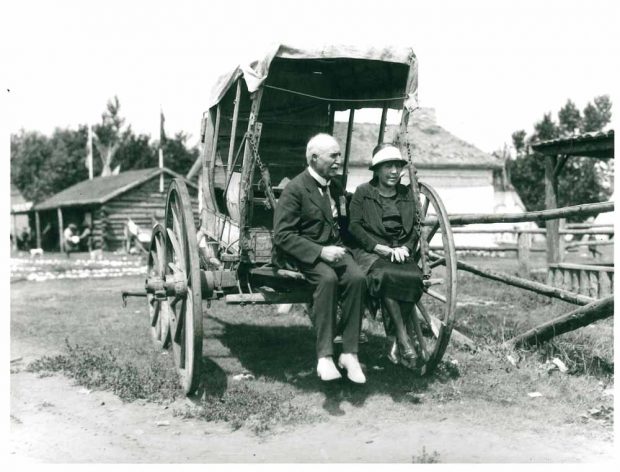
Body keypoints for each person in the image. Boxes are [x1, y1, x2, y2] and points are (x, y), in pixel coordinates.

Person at [273, 133, 367, 383]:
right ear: (314, 158)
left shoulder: (334, 187)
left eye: (339, 155)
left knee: (357, 278)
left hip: (336, 251)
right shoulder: (294, 190)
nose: (338, 161)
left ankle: (349, 352)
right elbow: (282, 236)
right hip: (305, 255)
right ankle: (325, 357)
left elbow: (346, 221)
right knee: (327, 280)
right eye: (333, 156)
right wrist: (320, 251)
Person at [348, 143, 424, 366]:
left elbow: (417, 227)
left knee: (414, 278)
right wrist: (376, 247)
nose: (394, 171)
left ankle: (395, 339)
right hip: (370, 251)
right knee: (384, 276)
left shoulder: (407, 194)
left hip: (400, 251)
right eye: (388, 166)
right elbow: (354, 226)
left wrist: (406, 248)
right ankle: (402, 337)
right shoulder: (363, 193)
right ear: (377, 170)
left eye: (397, 167)